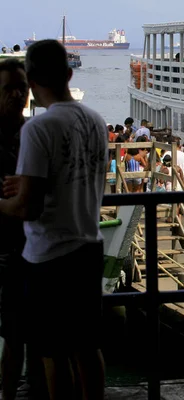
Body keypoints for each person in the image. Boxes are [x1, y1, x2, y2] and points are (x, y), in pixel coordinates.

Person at [0, 39, 106, 400]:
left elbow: (27, 208)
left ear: (30, 80)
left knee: (52, 355)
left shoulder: (37, 130)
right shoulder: (96, 122)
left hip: (47, 256)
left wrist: (4, 202)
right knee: (88, 349)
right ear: (68, 74)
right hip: (89, 246)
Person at [0, 58, 45, 400]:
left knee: (31, 333)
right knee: (15, 334)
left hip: (34, 246)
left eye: (23, 88)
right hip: (7, 246)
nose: (18, 95)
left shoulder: (36, 134)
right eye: (9, 89)